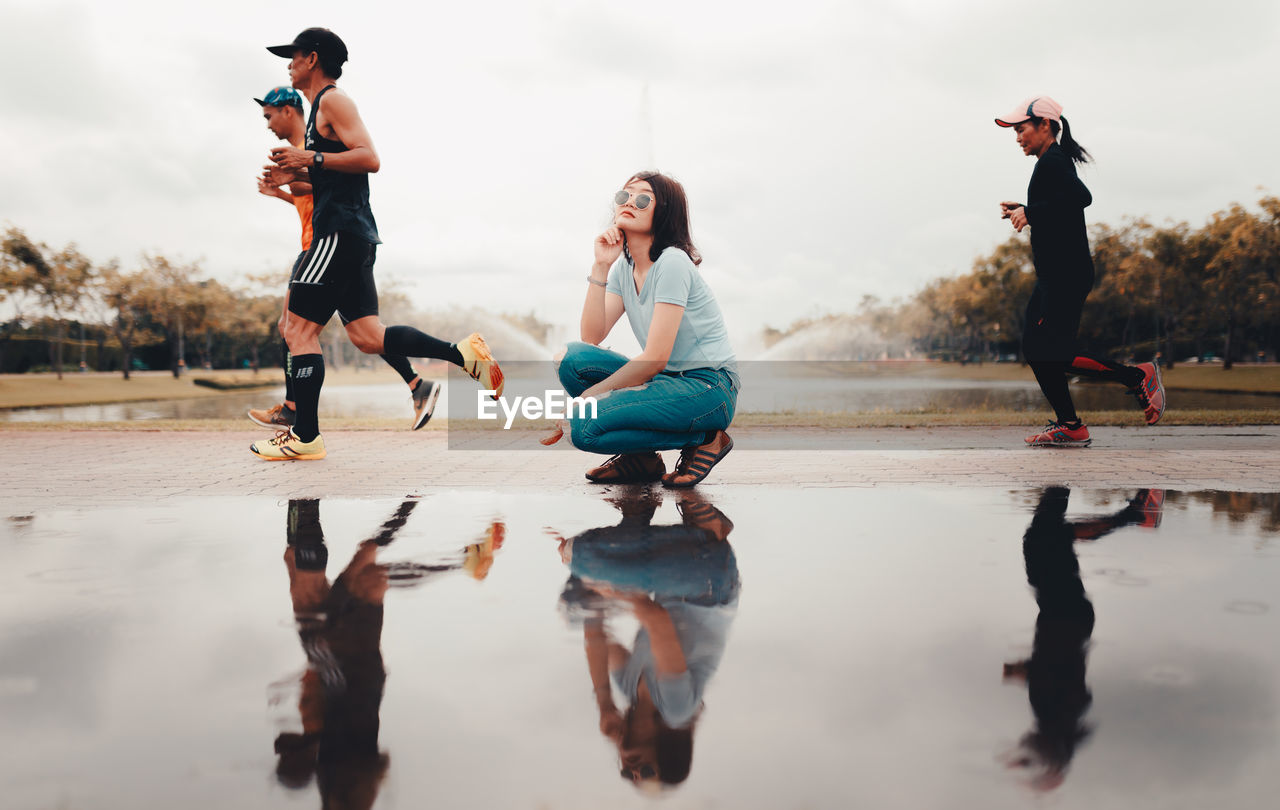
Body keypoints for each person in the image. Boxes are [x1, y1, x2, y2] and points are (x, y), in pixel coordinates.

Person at [252, 28, 503, 461]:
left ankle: (305, 435)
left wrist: (307, 158)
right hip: (353, 236)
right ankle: (463, 355)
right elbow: (335, 174)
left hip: (337, 235)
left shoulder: (333, 99)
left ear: (312, 58)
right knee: (369, 337)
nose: (288, 65)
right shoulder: (318, 112)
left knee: (296, 330)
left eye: (292, 57)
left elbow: (369, 158)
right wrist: (293, 176)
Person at [248, 86, 440, 433]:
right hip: (327, 243)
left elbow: (341, 182)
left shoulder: (312, 146)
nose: (267, 125)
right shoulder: (300, 152)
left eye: (268, 116)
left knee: (294, 329)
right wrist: (281, 192)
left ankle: (297, 418)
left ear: (287, 110)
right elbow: (313, 200)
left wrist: (302, 170)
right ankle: (420, 382)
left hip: (323, 246)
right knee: (366, 334)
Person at [549, 171, 739, 487]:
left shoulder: (672, 263)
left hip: (709, 387)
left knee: (584, 427)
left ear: (663, 212)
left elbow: (655, 359)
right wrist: (601, 266)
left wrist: (589, 397)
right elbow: (592, 336)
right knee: (572, 359)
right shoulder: (625, 267)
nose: (629, 203)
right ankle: (642, 457)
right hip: (667, 382)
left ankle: (707, 437)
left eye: (642, 198)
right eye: (624, 196)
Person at [995, 96, 1165, 447]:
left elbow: (1081, 198)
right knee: (1037, 347)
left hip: (1064, 275)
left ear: (1044, 125)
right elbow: (1062, 206)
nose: (1017, 138)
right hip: (1059, 275)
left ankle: (1137, 377)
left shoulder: (1054, 161)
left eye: (1021, 129)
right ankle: (1070, 425)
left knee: (1048, 351)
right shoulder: (1050, 162)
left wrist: (1032, 212)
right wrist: (1028, 208)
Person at [551, 489, 739, 789]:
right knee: (583, 562)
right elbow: (655, 619)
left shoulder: (630, 691)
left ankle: (651, 517)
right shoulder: (677, 710)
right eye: (648, 772)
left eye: (629, 775)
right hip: (709, 582)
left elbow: (595, 633)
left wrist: (605, 704)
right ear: (668, 753)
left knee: (576, 606)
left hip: (672, 582)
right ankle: (708, 534)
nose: (633, 769)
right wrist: (612, 589)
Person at [1001, 486, 1164, 791]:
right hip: (1064, 613)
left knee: (1049, 535)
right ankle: (1129, 511)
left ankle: (1125, 512)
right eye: (1029, 756)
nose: (1022, 745)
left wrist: (1023, 672)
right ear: (1048, 750)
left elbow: (1057, 672)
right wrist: (1024, 671)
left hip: (1062, 614)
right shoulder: (1057, 715)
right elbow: (1059, 671)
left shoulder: (1055, 717)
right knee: (1043, 536)